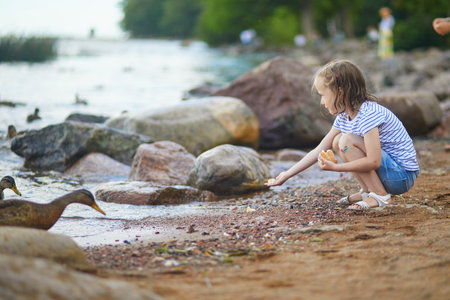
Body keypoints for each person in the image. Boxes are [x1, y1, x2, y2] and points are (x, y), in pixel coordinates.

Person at [266, 59, 419, 210]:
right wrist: (286, 175)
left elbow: (374, 162)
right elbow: (319, 149)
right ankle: (368, 192)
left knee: (346, 141)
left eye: (323, 95)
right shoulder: (344, 116)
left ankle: (380, 196)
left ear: (340, 92)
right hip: (390, 172)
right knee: (337, 141)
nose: (322, 102)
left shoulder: (368, 114)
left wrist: (335, 168)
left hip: (401, 176)